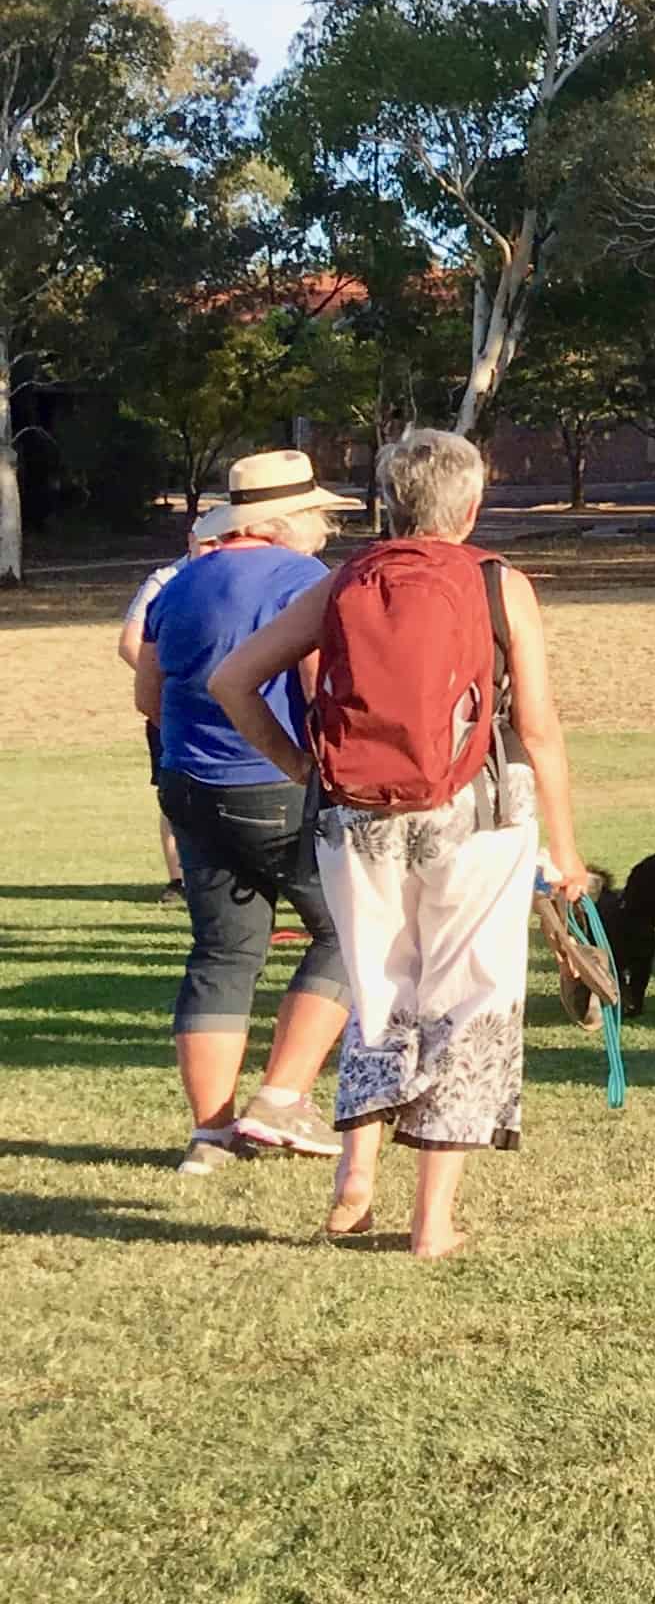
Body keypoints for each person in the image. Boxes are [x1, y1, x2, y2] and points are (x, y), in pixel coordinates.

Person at [206, 430, 594, 1257]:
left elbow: (229, 680)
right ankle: (433, 1220)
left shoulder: (346, 578)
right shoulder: (499, 583)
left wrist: (300, 764)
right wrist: (564, 852)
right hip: (477, 815)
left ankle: (353, 1186)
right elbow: (540, 728)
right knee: (469, 1000)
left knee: (378, 993)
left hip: (355, 817)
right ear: (473, 505)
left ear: (390, 502)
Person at [131, 453, 361, 1174]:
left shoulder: (179, 581)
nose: (325, 528)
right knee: (348, 932)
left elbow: (148, 696)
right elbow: (320, 686)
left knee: (222, 952)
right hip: (274, 783)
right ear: (285, 520)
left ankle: (210, 1133)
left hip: (188, 786)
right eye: (318, 515)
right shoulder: (303, 582)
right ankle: (282, 1096)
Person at [118, 514, 221, 906]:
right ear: (191, 539)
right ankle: (179, 880)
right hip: (177, 709)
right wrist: (174, 688)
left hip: (229, 707)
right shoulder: (165, 581)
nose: (211, 549)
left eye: (219, 540)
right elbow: (130, 644)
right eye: (205, 541)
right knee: (175, 793)